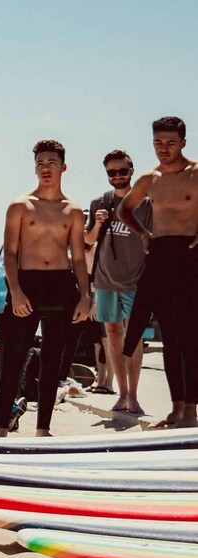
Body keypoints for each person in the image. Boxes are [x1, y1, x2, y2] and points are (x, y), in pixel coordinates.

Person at [0, 140, 90, 438]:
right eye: (39, 163)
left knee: (52, 362)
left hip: (61, 284)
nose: (45, 168)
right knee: (12, 358)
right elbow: (10, 254)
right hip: (28, 283)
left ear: (63, 167)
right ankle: (1, 429)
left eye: (51, 163)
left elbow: (77, 257)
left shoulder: (73, 211)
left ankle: (43, 430)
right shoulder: (20, 206)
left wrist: (86, 295)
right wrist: (16, 292)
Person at [121, 116, 198, 428]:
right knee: (170, 335)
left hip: (191, 255)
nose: (163, 148)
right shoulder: (150, 179)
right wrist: (143, 233)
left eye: (169, 142)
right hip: (161, 253)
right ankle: (176, 407)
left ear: (182, 142)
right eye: (157, 142)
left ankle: (191, 411)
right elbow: (123, 209)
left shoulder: (195, 173)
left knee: (190, 334)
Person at [83, 149, 150, 414]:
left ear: (131, 171)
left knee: (133, 339)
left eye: (122, 171)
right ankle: (122, 394)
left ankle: (133, 395)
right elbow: (87, 240)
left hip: (136, 280)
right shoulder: (100, 201)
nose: (118, 176)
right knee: (112, 336)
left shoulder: (146, 203)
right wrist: (97, 225)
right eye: (112, 172)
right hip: (105, 280)